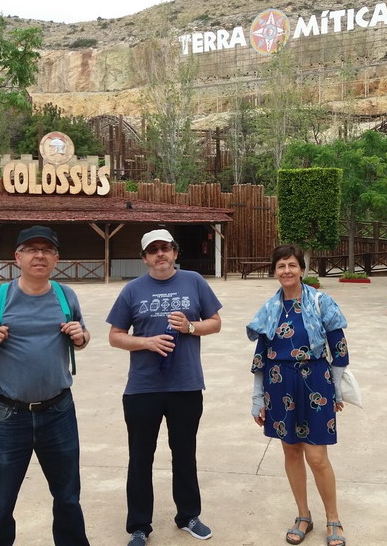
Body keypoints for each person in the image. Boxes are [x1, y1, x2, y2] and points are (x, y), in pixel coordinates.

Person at [0, 225, 91, 546]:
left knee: (68, 498)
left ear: (56, 258)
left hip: (58, 412)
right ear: (18, 257)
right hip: (7, 416)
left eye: (47, 250)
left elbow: (83, 336)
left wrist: (81, 336)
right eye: (31, 249)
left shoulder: (65, 295)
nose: (39, 255)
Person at [106, 228, 222, 546]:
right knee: (140, 458)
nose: (160, 254)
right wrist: (146, 342)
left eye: (166, 248)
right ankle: (139, 526)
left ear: (175, 253)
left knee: (184, 453)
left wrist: (190, 326)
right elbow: (115, 336)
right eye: (153, 249)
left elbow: (215, 322)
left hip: (186, 385)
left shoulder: (194, 282)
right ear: (144, 258)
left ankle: (188, 516)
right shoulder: (132, 290)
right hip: (143, 388)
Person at [246, 244, 349, 546]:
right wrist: (257, 398)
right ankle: (303, 516)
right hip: (279, 385)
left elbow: (340, 350)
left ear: (302, 270)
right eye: (281, 266)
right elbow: (261, 358)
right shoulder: (270, 309)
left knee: (317, 457)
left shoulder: (321, 302)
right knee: (290, 451)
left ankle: (333, 518)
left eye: (292, 265)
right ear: (274, 272)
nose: (287, 271)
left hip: (316, 382)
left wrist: (336, 390)